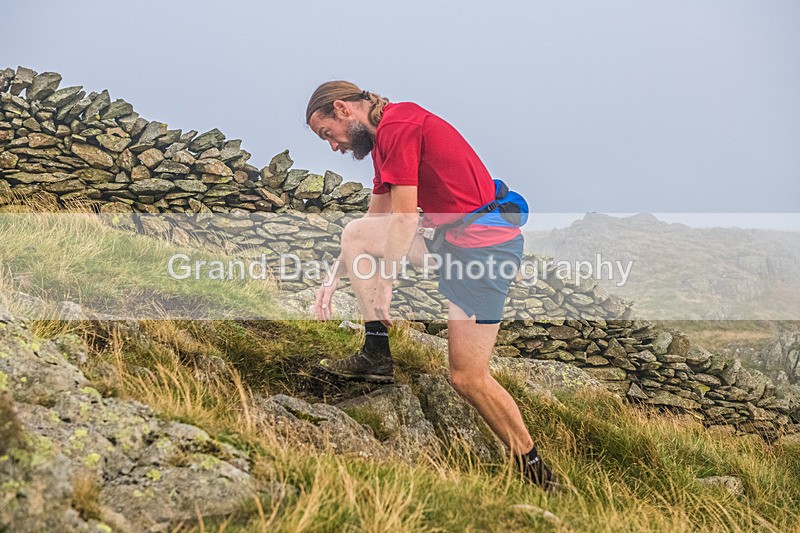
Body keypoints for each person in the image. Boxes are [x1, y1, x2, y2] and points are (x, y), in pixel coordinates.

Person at [305, 81, 555, 489]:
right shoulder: (383, 139)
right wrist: (332, 279)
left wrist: (385, 282)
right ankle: (376, 353)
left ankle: (537, 472)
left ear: (343, 109)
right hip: (449, 241)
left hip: (485, 251)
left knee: (468, 378)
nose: (333, 146)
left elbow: (405, 218)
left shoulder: (399, 126)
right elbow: (373, 222)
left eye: (327, 134)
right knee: (356, 234)